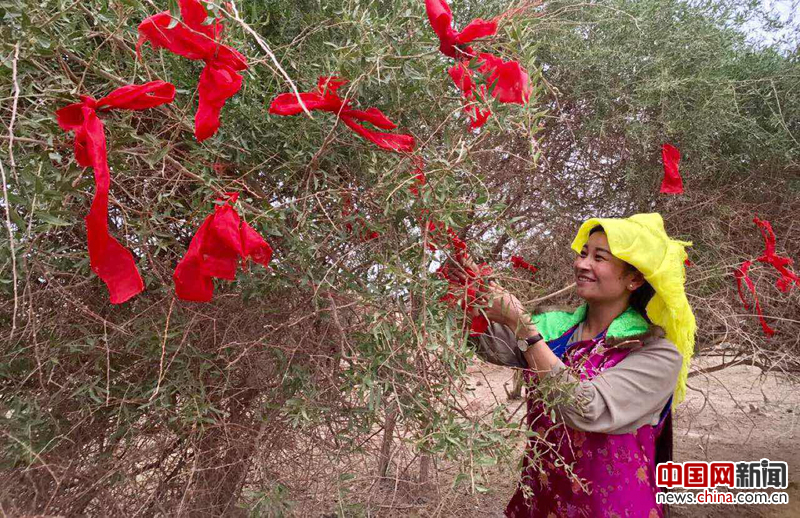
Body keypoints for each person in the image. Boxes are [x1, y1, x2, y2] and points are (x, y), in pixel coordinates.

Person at [457, 213, 695, 518]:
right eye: (583, 253)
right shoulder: (556, 329)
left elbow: (586, 409)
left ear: (634, 279)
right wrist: (467, 290)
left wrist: (524, 329)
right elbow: (491, 343)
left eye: (599, 257)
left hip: (612, 508)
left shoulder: (655, 354)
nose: (582, 264)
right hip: (543, 500)